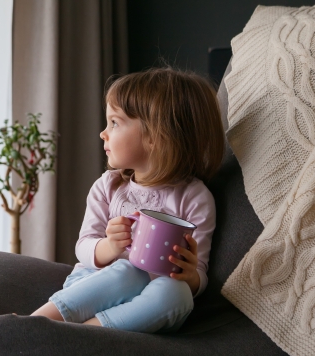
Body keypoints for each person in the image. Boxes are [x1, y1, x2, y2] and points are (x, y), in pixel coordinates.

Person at [30, 67, 225, 333]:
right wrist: (109, 247)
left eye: (115, 122)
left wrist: (191, 277)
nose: (103, 133)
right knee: (129, 271)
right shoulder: (108, 187)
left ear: (156, 136)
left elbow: (199, 270)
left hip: (143, 307)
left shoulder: (195, 198)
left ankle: (84, 336)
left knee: (178, 294)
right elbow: (84, 246)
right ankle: (33, 325)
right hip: (93, 285)